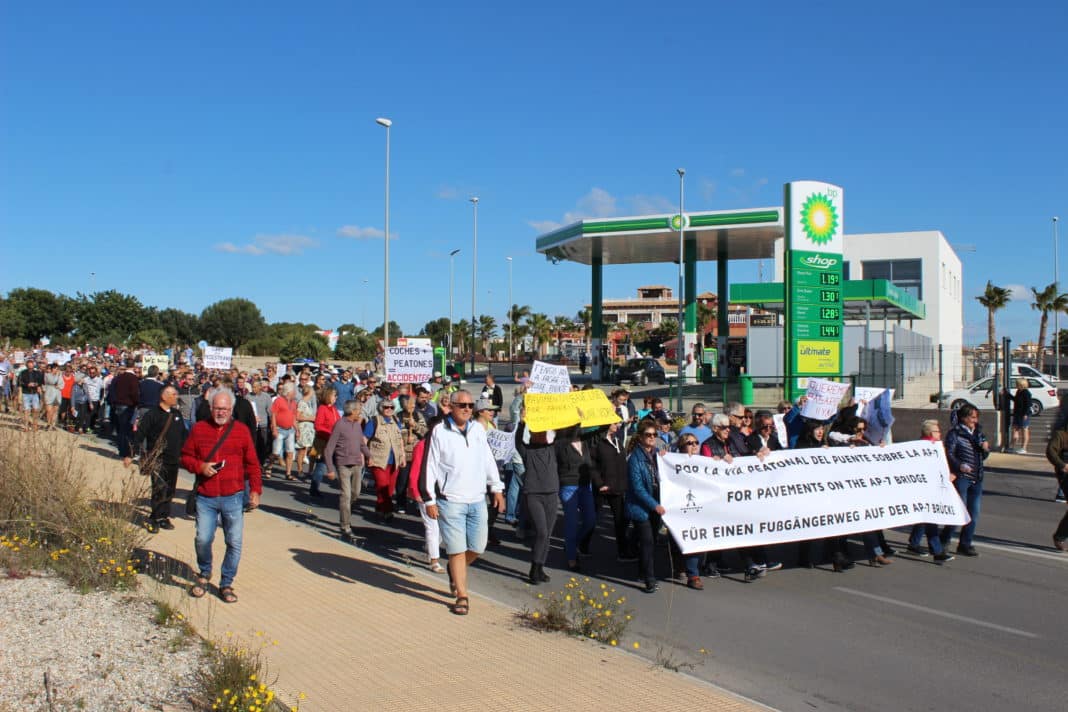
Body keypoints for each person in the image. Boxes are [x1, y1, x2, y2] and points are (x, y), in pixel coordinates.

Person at [419, 389, 504, 615]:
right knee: (456, 549)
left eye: (470, 406)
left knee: (477, 547)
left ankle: (455, 571)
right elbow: (429, 466)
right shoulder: (439, 432)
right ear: (451, 407)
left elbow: (488, 460)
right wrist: (429, 498)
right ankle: (462, 595)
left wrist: (496, 488)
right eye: (462, 405)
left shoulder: (478, 430)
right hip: (451, 500)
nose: (467, 409)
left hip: (477, 499)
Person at [180, 388, 262, 604]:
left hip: (233, 496)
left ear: (231, 409)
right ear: (210, 408)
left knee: (234, 542)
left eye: (225, 409)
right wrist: (201, 466)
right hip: (206, 496)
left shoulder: (242, 431)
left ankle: (226, 582)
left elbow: (253, 463)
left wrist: (255, 490)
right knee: (203, 539)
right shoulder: (199, 429)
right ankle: (205, 573)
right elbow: (185, 457)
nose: (221, 412)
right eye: (217, 408)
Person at [126, 385, 187, 532]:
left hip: (174, 459)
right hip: (158, 458)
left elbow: (183, 435)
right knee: (159, 488)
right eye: (173, 394)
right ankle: (155, 518)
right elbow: (140, 434)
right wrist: (130, 454)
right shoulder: (152, 414)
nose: (176, 396)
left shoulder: (176, 413)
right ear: (164, 396)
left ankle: (164, 516)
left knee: (170, 489)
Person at [625, 422, 672, 593]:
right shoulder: (634, 458)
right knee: (647, 542)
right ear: (640, 436)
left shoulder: (656, 455)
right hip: (640, 507)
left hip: (656, 505)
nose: (652, 437)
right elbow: (637, 488)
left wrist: (666, 458)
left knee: (649, 540)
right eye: (648, 434)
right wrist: (655, 505)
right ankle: (649, 579)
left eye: (654, 434)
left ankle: (641, 571)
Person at [940, 403, 988, 557]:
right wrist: (960, 466)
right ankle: (944, 540)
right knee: (959, 511)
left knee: (973, 513)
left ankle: (965, 544)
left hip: (976, 477)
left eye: (976, 417)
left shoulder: (979, 433)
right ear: (963, 418)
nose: (975, 420)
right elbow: (950, 453)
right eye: (972, 417)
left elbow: (983, 456)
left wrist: (985, 449)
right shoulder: (955, 433)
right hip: (962, 477)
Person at [906, 420, 955, 562]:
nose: (940, 433)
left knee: (924, 517)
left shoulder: (937, 447)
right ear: (929, 433)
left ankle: (913, 543)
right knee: (931, 518)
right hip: (924, 489)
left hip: (933, 488)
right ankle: (937, 551)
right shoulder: (922, 447)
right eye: (937, 431)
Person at [324, 399, 372, 541]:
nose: (360, 413)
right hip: (343, 464)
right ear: (352, 411)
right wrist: (330, 468)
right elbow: (329, 449)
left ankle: (346, 511)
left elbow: (361, 444)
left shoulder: (357, 425)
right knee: (346, 495)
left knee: (355, 494)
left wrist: (369, 456)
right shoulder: (339, 425)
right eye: (358, 410)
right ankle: (345, 525)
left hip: (357, 464)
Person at [588, 417, 634, 562]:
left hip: (618, 488)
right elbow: (592, 466)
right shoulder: (598, 443)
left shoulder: (618, 442)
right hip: (603, 487)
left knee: (620, 521)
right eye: (615, 423)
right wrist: (599, 483)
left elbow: (622, 464)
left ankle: (623, 551)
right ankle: (582, 544)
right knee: (592, 519)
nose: (617, 425)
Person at [364, 398, 406, 521]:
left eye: (391, 407)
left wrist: (402, 455)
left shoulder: (396, 421)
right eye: (386, 407)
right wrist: (367, 456)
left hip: (394, 461)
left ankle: (379, 508)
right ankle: (388, 511)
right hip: (378, 459)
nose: (389, 410)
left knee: (390, 488)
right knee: (383, 485)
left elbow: (400, 440)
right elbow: (364, 439)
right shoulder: (374, 421)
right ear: (380, 408)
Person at [396, 394, 428, 513]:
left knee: (418, 480)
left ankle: (418, 502)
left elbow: (426, 432)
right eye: (410, 404)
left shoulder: (418, 415)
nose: (412, 406)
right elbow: (395, 433)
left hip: (417, 453)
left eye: (413, 404)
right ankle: (401, 503)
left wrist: (415, 426)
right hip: (404, 453)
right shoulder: (397, 417)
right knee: (402, 481)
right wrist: (405, 438)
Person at [309, 388, 341, 498]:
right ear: (328, 396)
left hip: (334, 441)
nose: (336, 398)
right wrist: (331, 434)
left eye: (336, 396)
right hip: (323, 441)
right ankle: (314, 488)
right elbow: (318, 426)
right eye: (334, 395)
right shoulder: (323, 408)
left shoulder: (334, 409)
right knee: (321, 465)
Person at [111, 360, 141, 457]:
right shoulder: (133, 378)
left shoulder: (119, 377)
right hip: (128, 406)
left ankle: (121, 450)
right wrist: (137, 402)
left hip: (119, 405)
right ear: (134, 366)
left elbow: (113, 390)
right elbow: (134, 393)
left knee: (121, 429)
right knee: (127, 430)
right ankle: (126, 452)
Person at [270, 382, 298, 480]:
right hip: (279, 429)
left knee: (290, 452)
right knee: (276, 452)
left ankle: (288, 473)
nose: (295, 393)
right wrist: (274, 428)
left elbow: (294, 417)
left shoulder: (294, 403)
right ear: (289, 392)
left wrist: (297, 430)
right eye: (294, 391)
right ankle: (269, 465)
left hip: (290, 430)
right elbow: (273, 414)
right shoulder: (278, 400)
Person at [294, 384, 317, 480]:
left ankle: (308, 471)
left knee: (307, 449)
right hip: (303, 428)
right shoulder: (302, 403)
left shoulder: (308, 403)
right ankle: (299, 470)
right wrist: (310, 418)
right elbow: (297, 416)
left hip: (309, 429)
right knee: (301, 450)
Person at [19, 358, 44, 432]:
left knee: (36, 410)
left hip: (35, 393)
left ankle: (35, 425)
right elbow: (20, 382)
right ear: (27, 366)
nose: (30, 367)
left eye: (32, 366)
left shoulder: (37, 373)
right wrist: (27, 384)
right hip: (26, 393)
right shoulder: (23, 373)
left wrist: (37, 384)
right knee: (27, 410)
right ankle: (26, 427)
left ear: (33, 366)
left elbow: (41, 381)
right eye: (29, 366)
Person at [1011, 378, 1033, 454]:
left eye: (1017, 384)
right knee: (1015, 430)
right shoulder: (1018, 392)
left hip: (1024, 415)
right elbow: (1015, 400)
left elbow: (1028, 404)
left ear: (1021, 384)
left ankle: (1023, 448)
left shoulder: (1026, 393)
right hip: (1017, 414)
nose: (1016, 385)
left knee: (1024, 430)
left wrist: (1025, 414)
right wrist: (1008, 395)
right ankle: (1012, 447)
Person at [42, 363, 62, 429]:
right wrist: (57, 376)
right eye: (55, 368)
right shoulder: (47, 375)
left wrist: (58, 377)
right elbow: (52, 381)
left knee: (55, 410)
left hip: (57, 394)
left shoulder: (59, 375)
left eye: (57, 369)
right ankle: (48, 423)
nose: (56, 370)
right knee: (49, 410)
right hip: (49, 393)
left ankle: (53, 424)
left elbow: (61, 384)